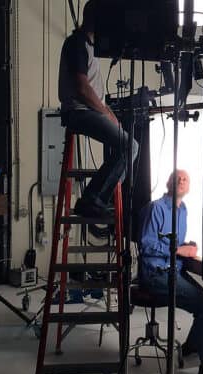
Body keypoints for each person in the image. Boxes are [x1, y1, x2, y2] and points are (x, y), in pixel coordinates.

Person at [138, 170, 203, 374]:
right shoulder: (156, 208)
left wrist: (186, 247)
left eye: (185, 179)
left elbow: (172, 245)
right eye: (176, 178)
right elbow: (146, 244)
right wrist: (179, 250)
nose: (180, 181)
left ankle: (192, 346)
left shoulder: (183, 210)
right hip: (155, 274)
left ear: (189, 187)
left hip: (173, 270)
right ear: (168, 182)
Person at [58, 0, 138, 218]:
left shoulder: (91, 47)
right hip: (79, 112)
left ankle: (101, 195)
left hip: (88, 111)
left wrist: (108, 114)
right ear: (96, 18)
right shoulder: (77, 43)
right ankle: (93, 199)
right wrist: (106, 112)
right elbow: (82, 88)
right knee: (129, 146)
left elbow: (90, 91)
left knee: (128, 146)